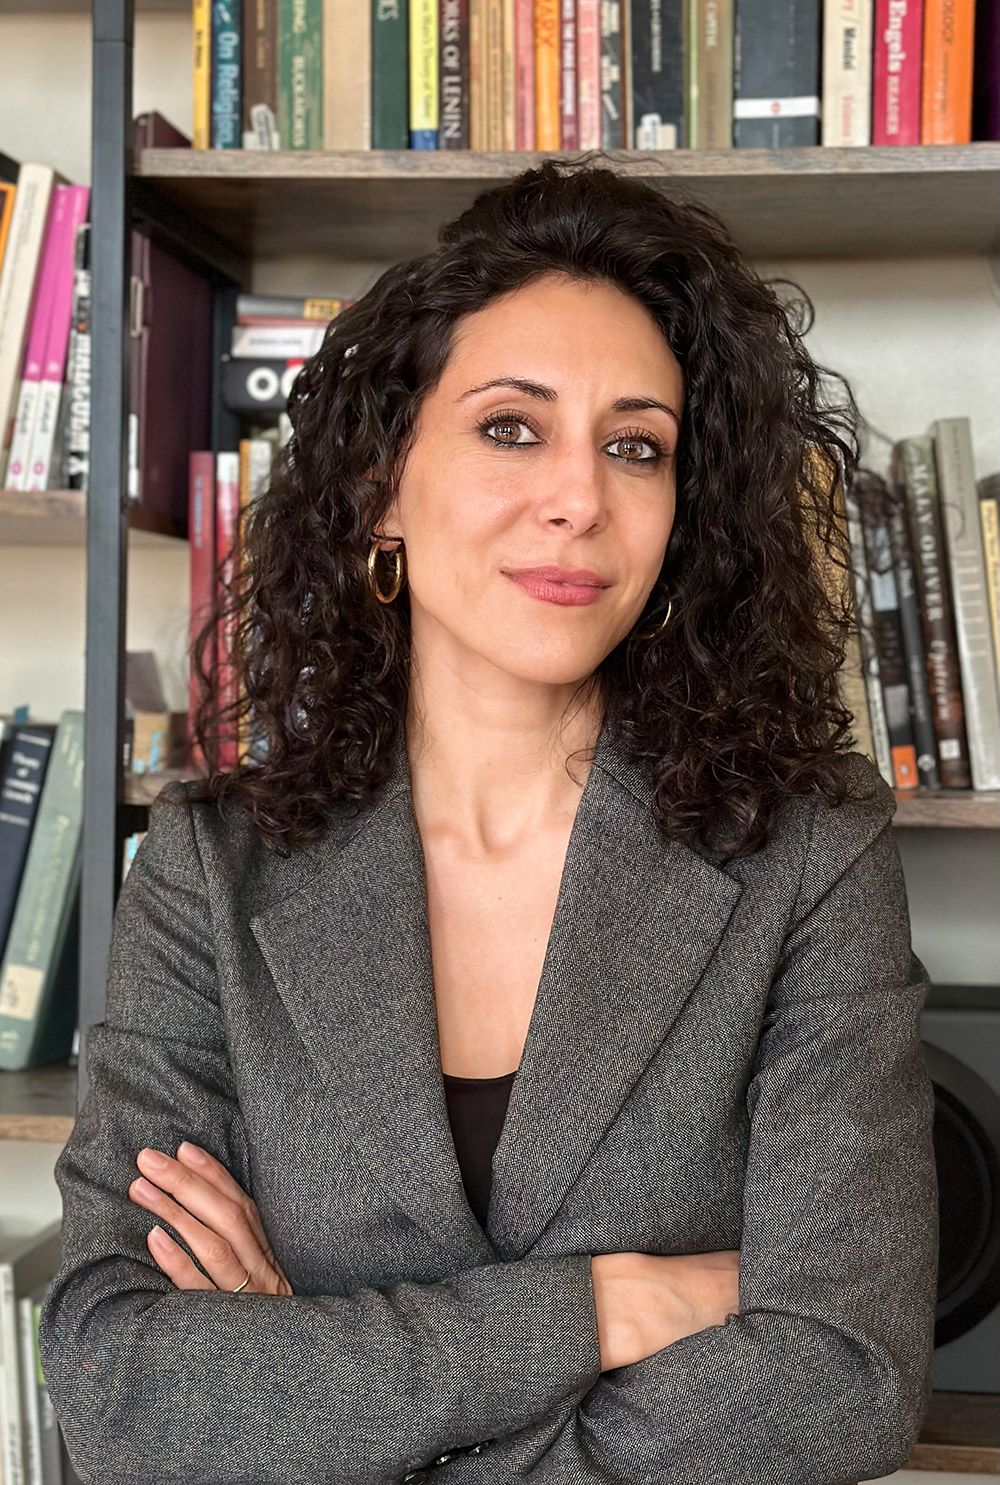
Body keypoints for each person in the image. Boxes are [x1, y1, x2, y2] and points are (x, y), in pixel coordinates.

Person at [39, 156, 938, 1485]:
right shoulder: (211, 865)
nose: (579, 493)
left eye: (637, 444)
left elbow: (839, 1380)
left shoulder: (809, 850)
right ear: (382, 487)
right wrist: (603, 1307)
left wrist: (324, 1380)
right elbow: (119, 1383)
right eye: (513, 425)